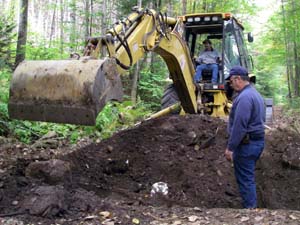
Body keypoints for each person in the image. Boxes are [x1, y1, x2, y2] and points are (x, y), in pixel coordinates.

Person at [224, 65, 265, 209]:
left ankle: (250, 211)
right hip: (257, 142)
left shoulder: (244, 98)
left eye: (231, 81)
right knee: (248, 177)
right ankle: (251, 208)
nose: (231, 84)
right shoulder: (255, 94)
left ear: (238, 79)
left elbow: (239, 126)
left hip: (247, 144)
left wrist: (230, 148)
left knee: (246, 179)